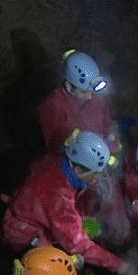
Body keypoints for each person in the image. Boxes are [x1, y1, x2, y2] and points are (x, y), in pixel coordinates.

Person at [2, 130, 137, 275]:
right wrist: (119, 265)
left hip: (26, 209)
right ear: (78, 170)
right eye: (95, 172)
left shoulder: (56, 162)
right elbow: (77, 245)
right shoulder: (59, 197)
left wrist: (79, 219)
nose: (98, 177)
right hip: (25, 233)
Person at [36, 49, 129, 246]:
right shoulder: (52, 108)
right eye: (84, 92)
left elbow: (106, 124)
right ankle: (89, 253)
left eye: (92, 91)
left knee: (114, 210)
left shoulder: (95, 97)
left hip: (101, 166)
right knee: (82, 219)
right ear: (69, 86)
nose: (90, 97)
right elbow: (55, 149)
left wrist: (112, 142)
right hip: (77, 174)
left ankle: (120, 244)